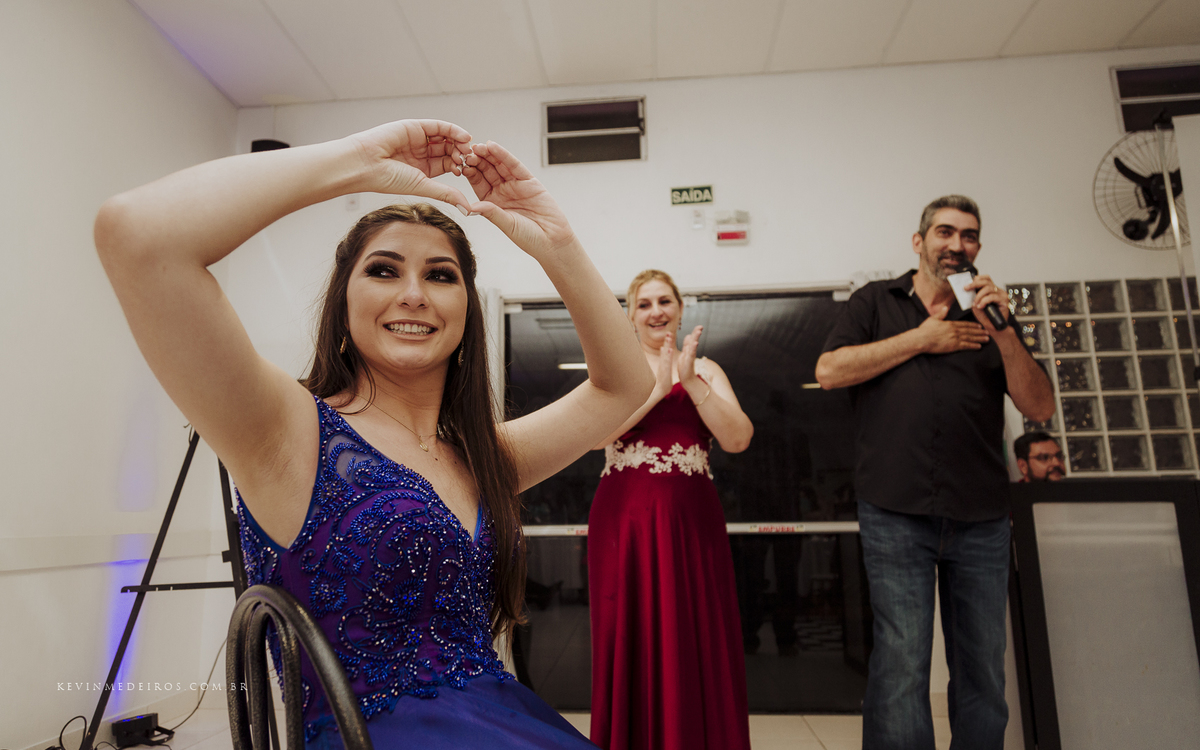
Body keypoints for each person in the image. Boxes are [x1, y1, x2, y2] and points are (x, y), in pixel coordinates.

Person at [95, 119, 654, 748]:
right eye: (384, 271)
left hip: (505, 719)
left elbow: (623, 388)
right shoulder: (288, 432)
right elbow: (137, 235)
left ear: (466, 313)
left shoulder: (485, 458)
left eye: (441, 276)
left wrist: (554, 241)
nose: (414, 294)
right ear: (343, 303)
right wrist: (356, 161)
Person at [815, 195, 1055, 750]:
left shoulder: (992, 314)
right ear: (919, 242)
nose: (957, 245)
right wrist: (922, 339)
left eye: (969, 236)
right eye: (945, 232)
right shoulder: (875, 302)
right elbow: (829, 371)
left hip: (983, 518)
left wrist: (1003, 333)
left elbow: (1038, 406)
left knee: (983, 672)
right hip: (895, 512)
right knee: (901, 666)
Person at [587, 269, 754, 750]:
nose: (656, 311)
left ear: (680, 309)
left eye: (665, 301)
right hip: (626, 520)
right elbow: (596, 436)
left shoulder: (709, 369)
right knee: (630, 629)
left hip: (692, 518)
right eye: (644, 303)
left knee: (697, 631)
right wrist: (657, 389)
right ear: (630, 315)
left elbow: (738, 439)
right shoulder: (613, 369)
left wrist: (689, 381)